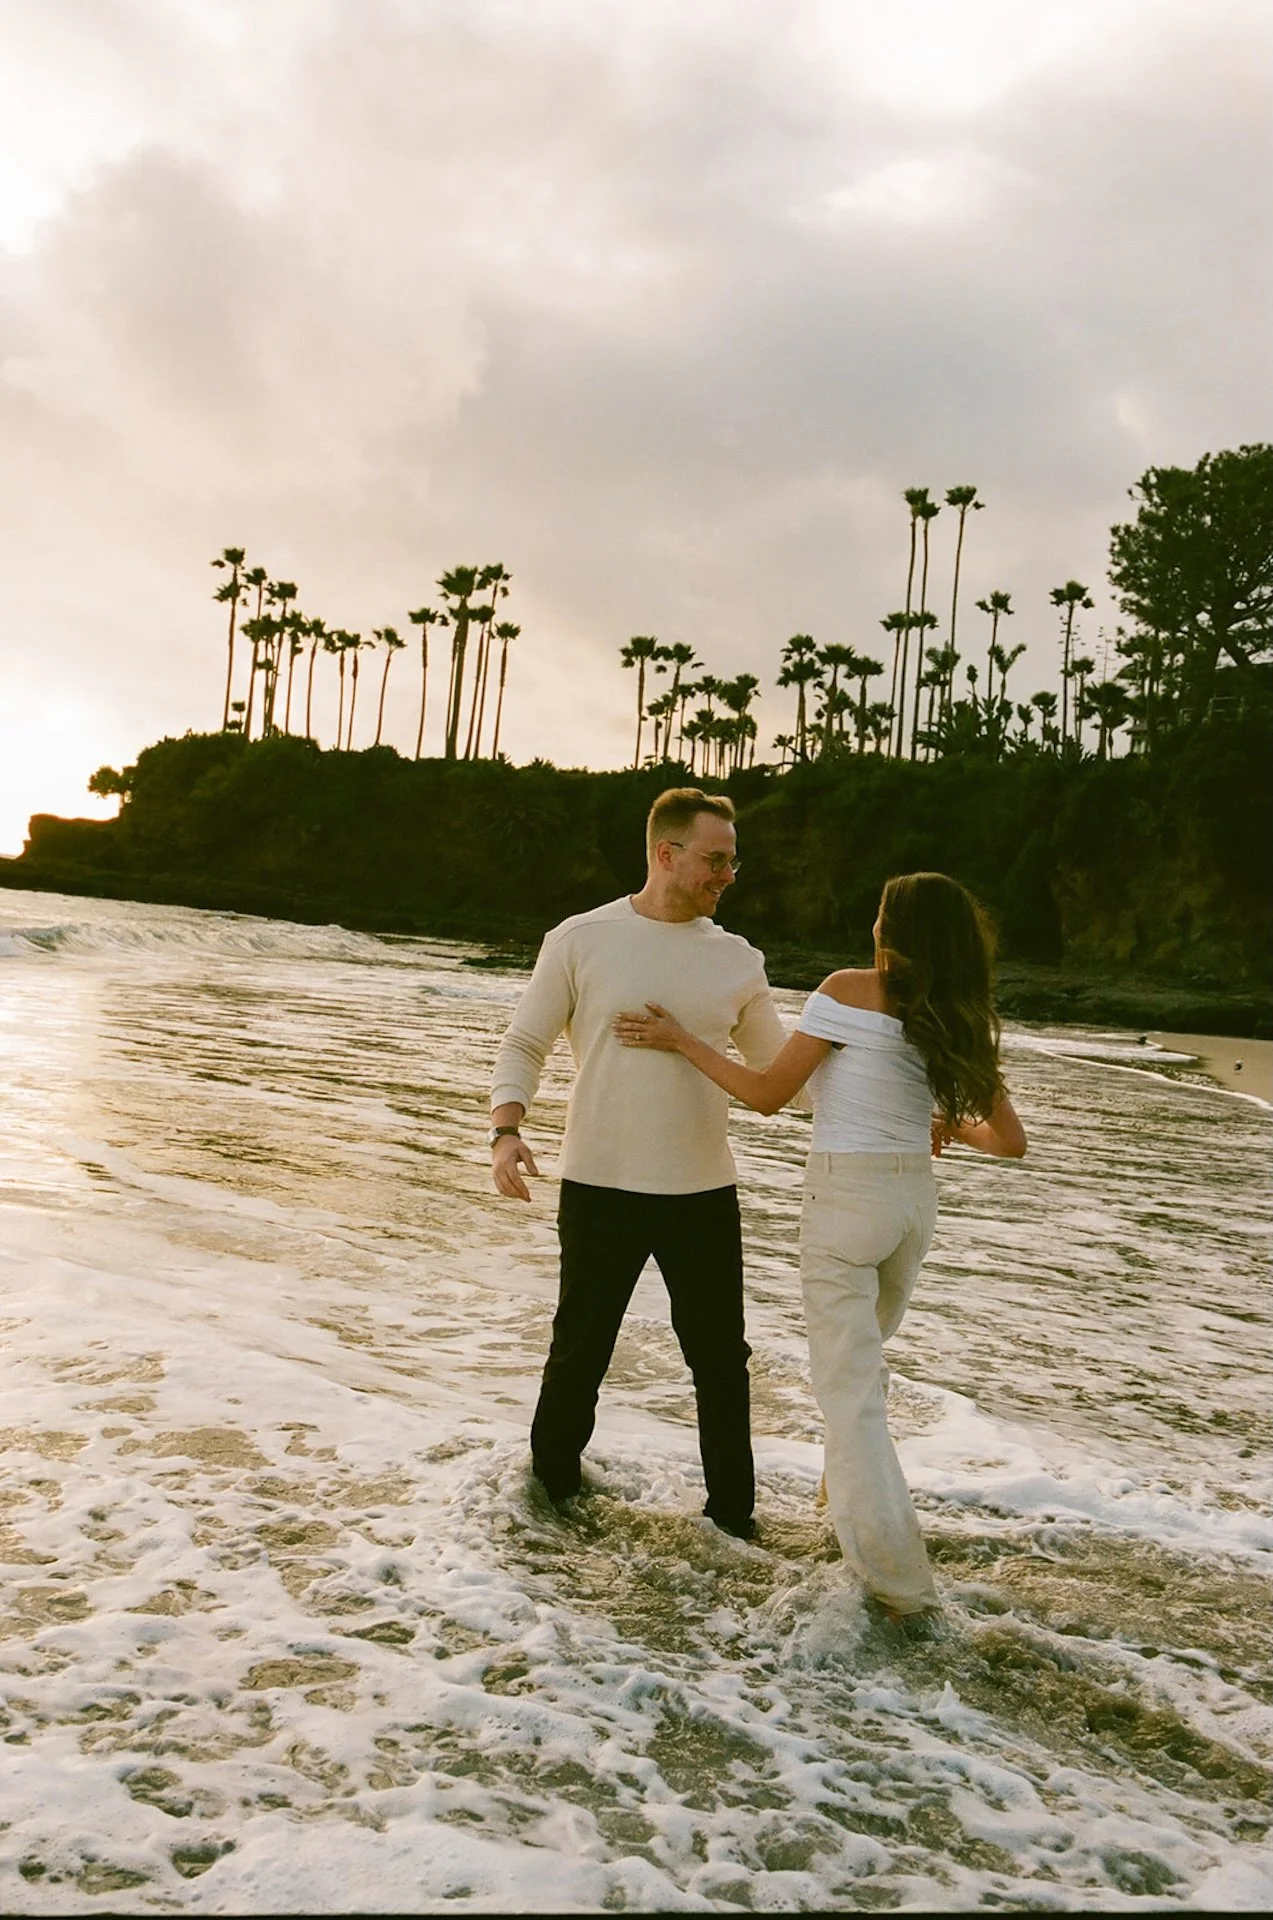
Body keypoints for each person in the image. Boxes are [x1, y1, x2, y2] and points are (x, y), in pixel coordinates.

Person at [614, 871, 1026, 1617]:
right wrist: (941, 1128)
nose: (870, 923)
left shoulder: (843, 989)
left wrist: (680, 1040)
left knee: (850, 1398)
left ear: (890, 931)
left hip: (846, 1201)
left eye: (877, 912)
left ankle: (898, 1586)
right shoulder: (961, 1013)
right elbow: (1008, 1142)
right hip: (910, 1209)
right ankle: (845, 1520)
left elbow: (768, 1094)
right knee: (860, 1377)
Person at [489, 788, 800, 1540]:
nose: (728, 874)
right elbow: (524, 1042)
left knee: (721, 1363)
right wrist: (506, 1128)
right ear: (667, 854)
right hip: (599, 1184)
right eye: (715, 859)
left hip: (701, 1190)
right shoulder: (580, 938)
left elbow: (785, 1075)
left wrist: (898, 1112)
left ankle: (733, 1523)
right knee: (580, 1351)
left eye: (733, 860)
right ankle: (549, 1505)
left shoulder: (736, 960)